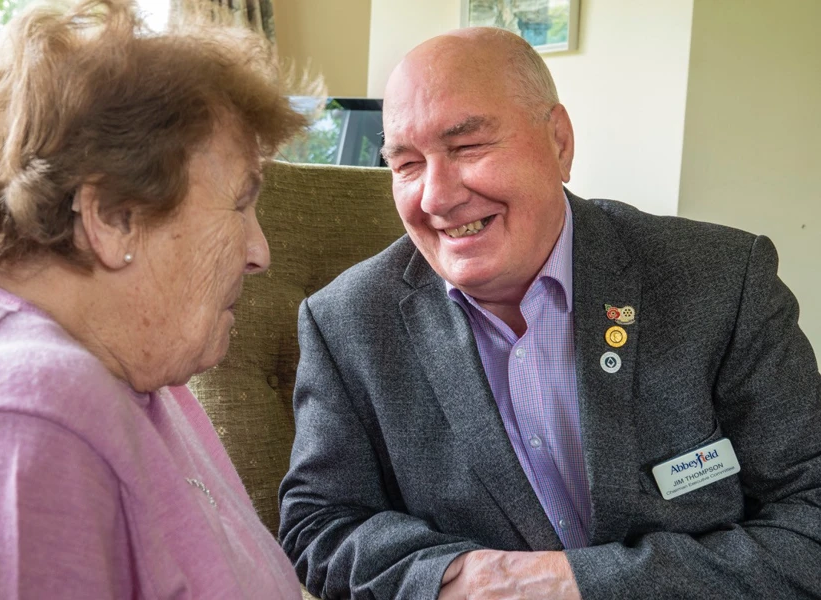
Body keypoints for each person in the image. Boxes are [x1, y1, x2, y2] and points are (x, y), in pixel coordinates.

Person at [278, 26, 821, 600]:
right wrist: (465, 579)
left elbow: (811, 512)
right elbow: (319, 526)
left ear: (559, 142)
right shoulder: (347, 322)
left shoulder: (720, 279)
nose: (435, 198)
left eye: (467, 147)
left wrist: (569, 584)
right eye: (406, 164)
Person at [0, 0, 315, 597]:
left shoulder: (136, 368)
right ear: (112, 218)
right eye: (239, 203)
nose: (260, 251)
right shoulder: (21, 432)